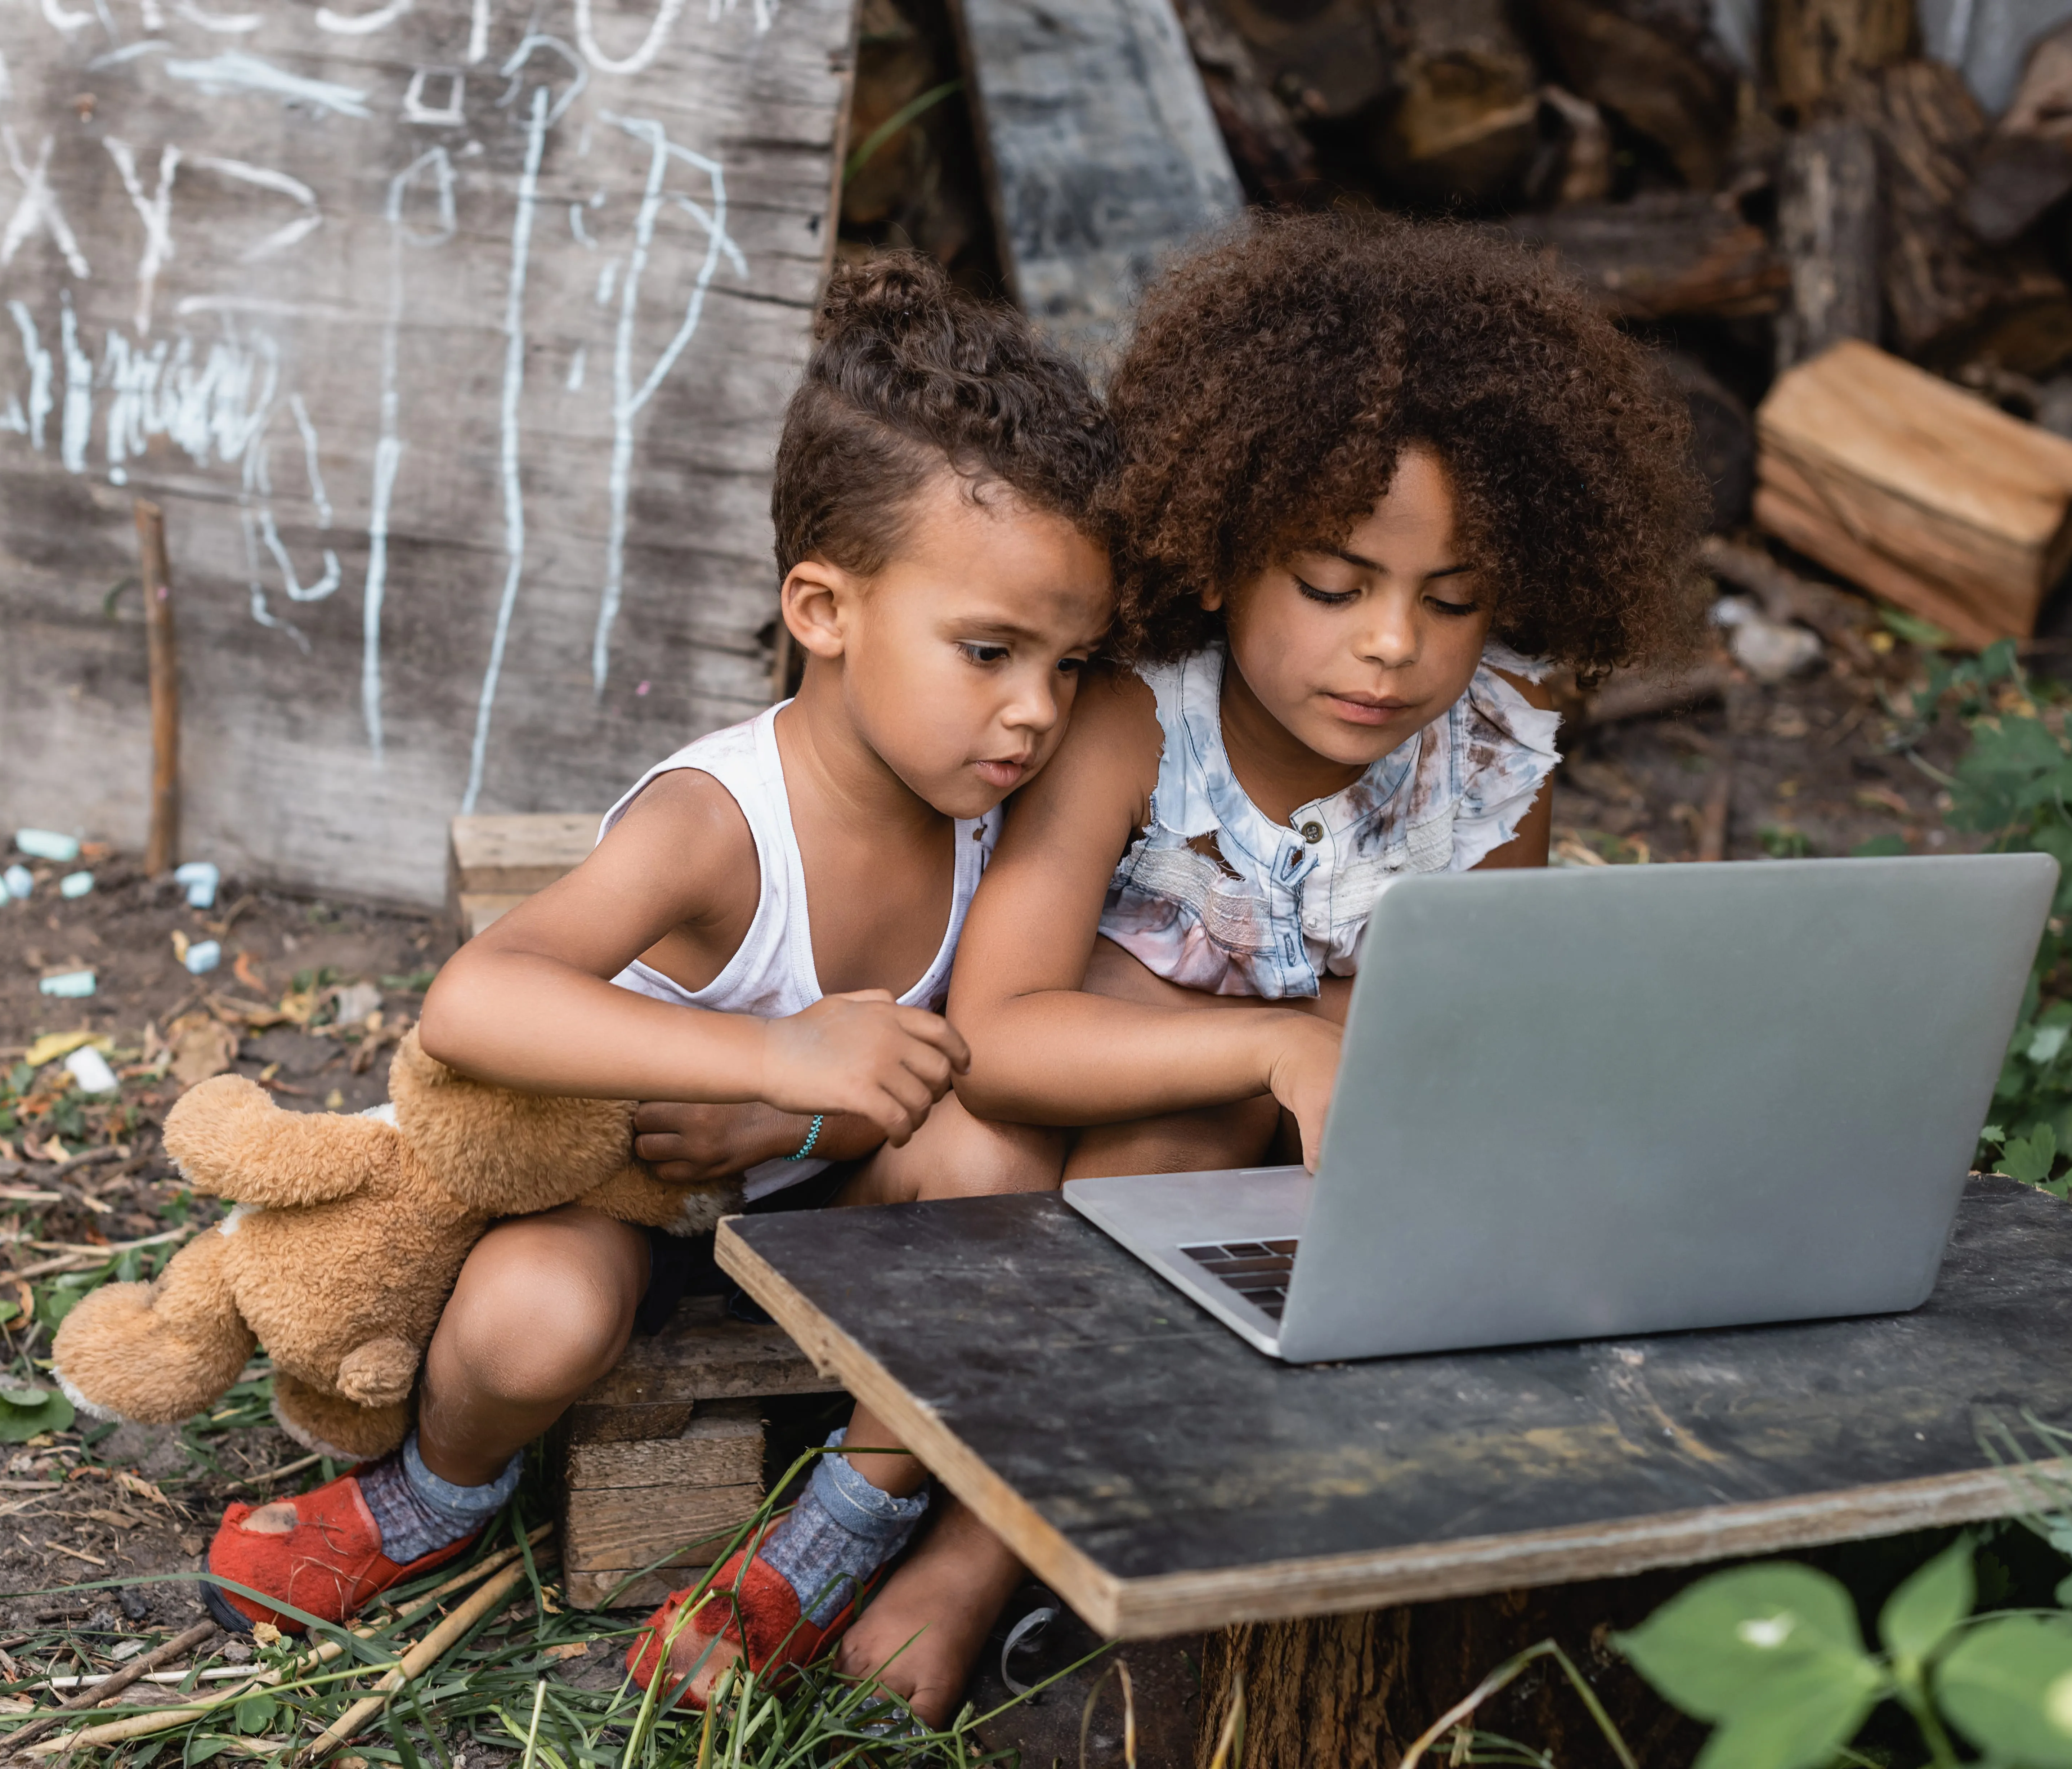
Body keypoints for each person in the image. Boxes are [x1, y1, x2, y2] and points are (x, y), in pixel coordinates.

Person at [195, 251, 1116, 1728]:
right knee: (531, 1326)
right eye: (991, 651)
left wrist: (802, 1123)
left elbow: (958, 1052)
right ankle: (437, 1490)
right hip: (604, 1195)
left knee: (1000, 1163)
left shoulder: (999, 808)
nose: (1035, 710)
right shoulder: (717, 825)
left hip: (820, 1199)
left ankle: (833, 1538)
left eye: (1071, 666)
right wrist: (771, 1065)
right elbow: (478, 999)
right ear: (821, 607)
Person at [950, 212, 1707, 1178]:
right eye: (1332, 590)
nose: (1393, 643)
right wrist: (1282, 1045)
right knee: (1179, 1137)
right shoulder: (1135, 729)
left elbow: (1461, 1038)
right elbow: (999, 1043)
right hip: (1139, 1142)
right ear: (1220, 558)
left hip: (1348, 1178)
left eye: (1453, 599)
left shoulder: (1487, 767)